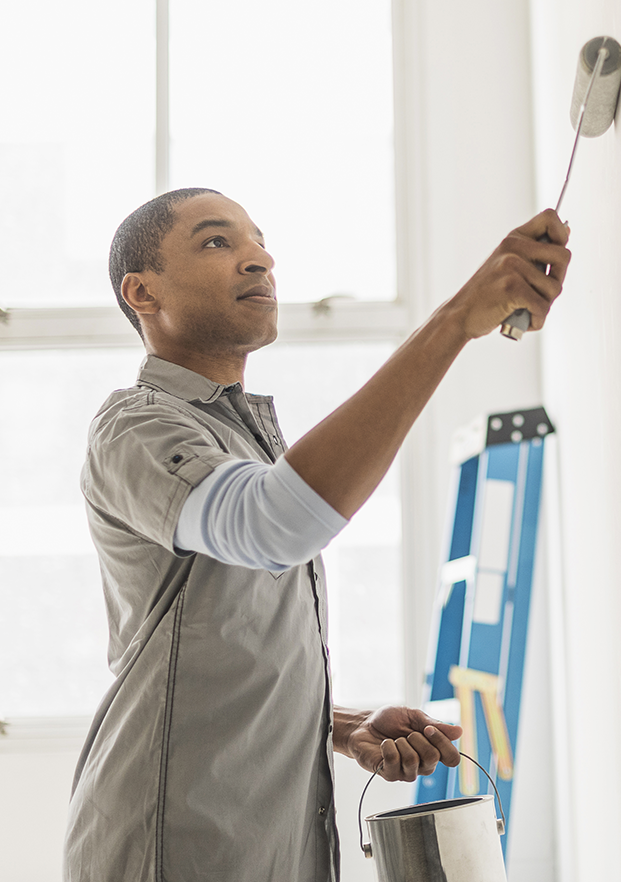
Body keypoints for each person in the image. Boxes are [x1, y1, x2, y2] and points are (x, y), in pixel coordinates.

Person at [64, 187, 570, 882]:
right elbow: (274, 523)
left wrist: (341, 726)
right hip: (172, 847)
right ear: (141, 292)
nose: (259, 258)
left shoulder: (242, 440)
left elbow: (221, 647)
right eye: (217, 242)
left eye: (258, 241)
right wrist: (455, 322)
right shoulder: (137, 428)